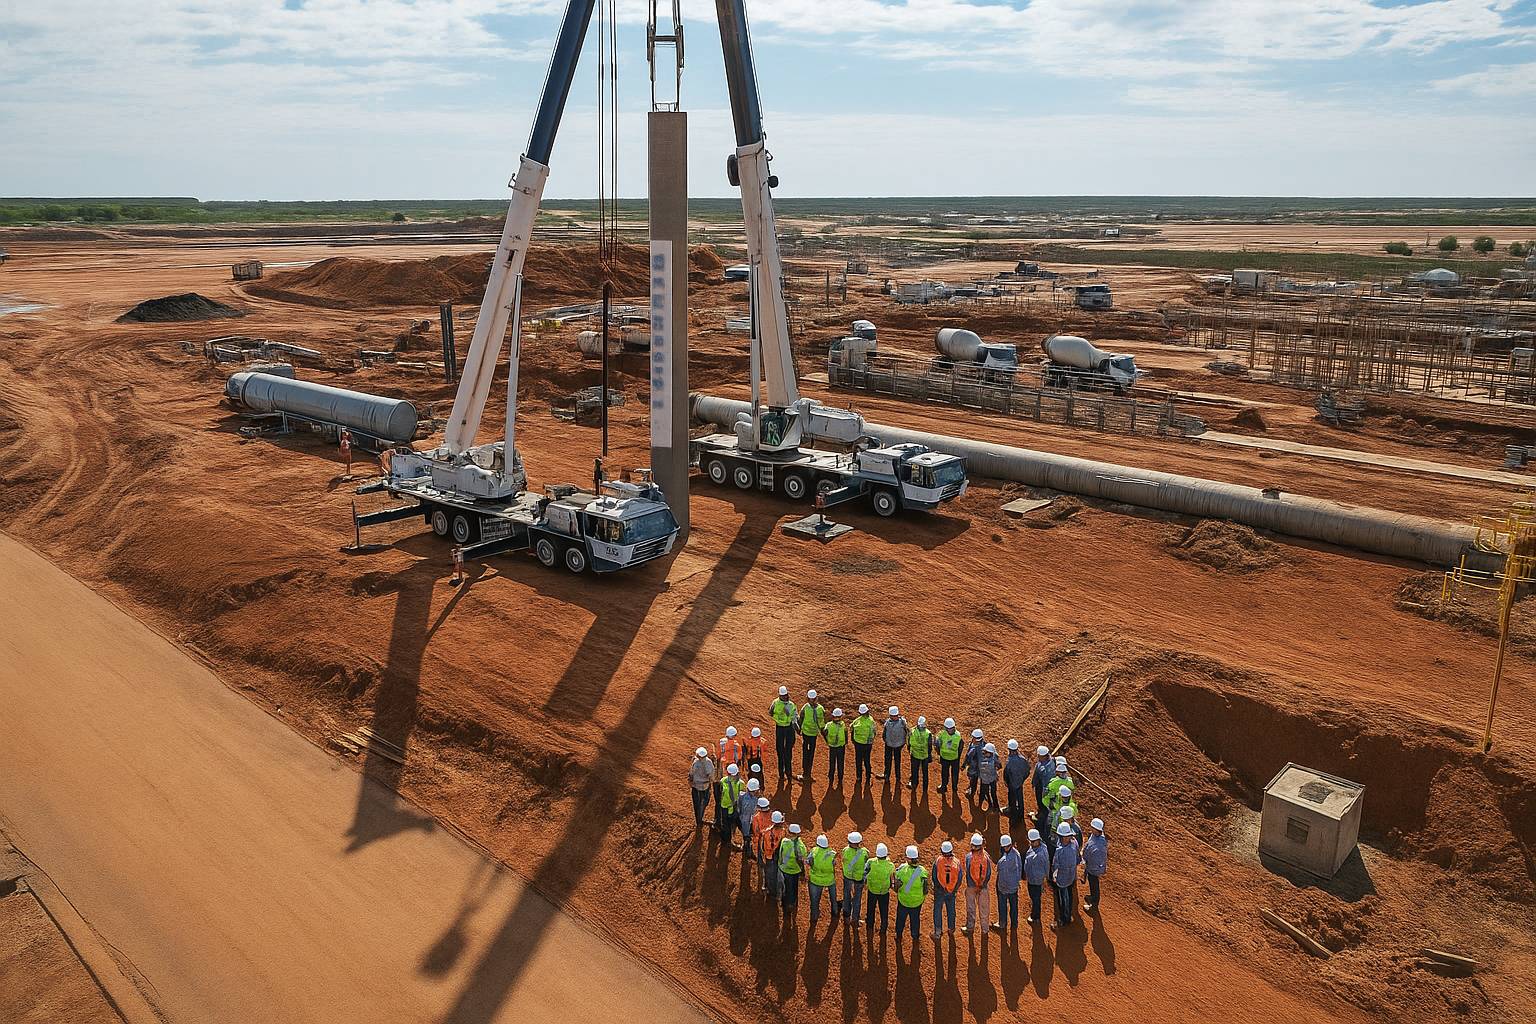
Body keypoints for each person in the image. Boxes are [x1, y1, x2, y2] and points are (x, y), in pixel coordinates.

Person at [893, 845, 928, 941]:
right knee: (915, 919)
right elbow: (925, 890)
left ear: (908, 858)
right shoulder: (923, 872)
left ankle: (898, 935)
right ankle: (915, 936)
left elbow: (896, 887)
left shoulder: (901, 870)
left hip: (903, 901)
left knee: (900, 919)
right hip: (917, 902)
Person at [962, 833, 992, 936]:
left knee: (971, 908)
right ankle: (985, 929)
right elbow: (988, 874)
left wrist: (974, 884)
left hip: (971, 887)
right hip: (983, 888)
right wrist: (981, 885)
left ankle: (970, 927)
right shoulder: (986, 857)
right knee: (984, 910)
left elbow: (967, 871)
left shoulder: (968, 857)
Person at [1051, 822, 1080, 929]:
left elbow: (1055, 865)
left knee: (1063, 899)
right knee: (1070, 896)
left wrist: (1054, 876)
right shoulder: (1074, 843)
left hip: (1062, 879)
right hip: (1071, 876)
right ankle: (1068, 916)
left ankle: (1064, 919)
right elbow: (1078, 858)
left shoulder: (1059, 850)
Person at [931, 840, 962, 936]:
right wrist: (954, 889)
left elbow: (934, 877)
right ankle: (951, 929)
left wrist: (937, 888)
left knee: (937, 910)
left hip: (940, 891)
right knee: (951, 909)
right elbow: (959, 878)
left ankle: (937, 931)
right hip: (951, 891)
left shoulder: (938, 861)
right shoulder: (957, 862)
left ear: (942, 851)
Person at [808, 834, 840, 925]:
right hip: (829, 880)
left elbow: (809, 862)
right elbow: (834, 864)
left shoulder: (814, 851)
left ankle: (814, 917)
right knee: (833, 898)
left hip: (815, 880)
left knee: (814, 901)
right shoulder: (832, 853)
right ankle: (835, 912)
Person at [778, 823, 809, 916]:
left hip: (783, 868)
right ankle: (792, 903)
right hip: (794, 870)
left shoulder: (784, 841)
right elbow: (803, 857)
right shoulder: (800, 846)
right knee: (793, 887)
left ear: (789, 832)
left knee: (785, 886)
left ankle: (785, 902)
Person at [769, 687, 798, 785]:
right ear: (780, 695)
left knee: (788, 752)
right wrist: (779, 718)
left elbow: (795, 716)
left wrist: (796, 727)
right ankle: (781, 774)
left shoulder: (790, 705)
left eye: (786, 695)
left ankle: (788, 774)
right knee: (780, 751)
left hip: (789, 728)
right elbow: (771, 713)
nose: (785, 697)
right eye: (783, 696)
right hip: (780, 729)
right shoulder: (775, 703)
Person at [994, 834, 1022, 932]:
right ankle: (1014, 924)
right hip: (1014, 886)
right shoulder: (1017, 853)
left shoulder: (1004, 861)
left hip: (1004, 887)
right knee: (1014, 906)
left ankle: (1002, 923)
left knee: (1002, 905)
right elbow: (1020, 868)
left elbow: (1000, 870)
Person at [865, 843, 894, 934]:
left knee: (870, 909)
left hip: (872, 890)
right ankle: (883, 927)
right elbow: (892, 878)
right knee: (884, 910)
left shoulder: (871, 862)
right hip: (884, 892)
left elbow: (865, 871)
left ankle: (869, 925)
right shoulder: (890, 865)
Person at [841, 832, 869, 926]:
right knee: (857, 899)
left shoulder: (845, 850)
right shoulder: (864, 852)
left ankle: (846, 917)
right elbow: (866, 861)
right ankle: (855, 919)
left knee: (846, 896)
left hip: (848, 877)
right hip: (859, 879)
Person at [798, 689, 826, 780]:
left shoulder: (805, 707)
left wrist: (798, 729)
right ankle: (808, 773)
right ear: (816, 698)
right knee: (811, 753)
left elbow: (800, 719)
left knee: (805, 753)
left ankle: (805, 774)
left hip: (806, 734)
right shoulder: (821, 709)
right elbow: (822, 722)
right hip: (814, 734)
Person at [1023, 828, 1049, 925]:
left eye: (1033, 841)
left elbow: (1046, 865)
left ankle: (1035, 917)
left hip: (1036, 879)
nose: (1032, 843)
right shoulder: (1035, 848)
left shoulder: (1041, 853)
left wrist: (1046, 877)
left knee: (1036, 898)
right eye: (1031, 841)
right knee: (1033, 896)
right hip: (1031, 877)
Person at [1083, 818, 1108, 914]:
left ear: (1096, 829)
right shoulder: (1098, 836)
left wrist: (1087, 865)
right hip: (1092, 867)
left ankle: (1094, 905)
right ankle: (1093, 897)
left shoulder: (1097, 847)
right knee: (1092, 883)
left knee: (1094, 885)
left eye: (1092, 827)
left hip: (1094, 869)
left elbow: (1094, 860)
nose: (1091, 829)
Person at [759, 811, 786, 898]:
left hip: (769, 857)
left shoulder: (766, 832)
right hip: (778, 857)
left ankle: (770, 890)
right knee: (776, 875)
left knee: (769, 874)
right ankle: (776, 892)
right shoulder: (783, 832)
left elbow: (762, 847)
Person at [1003, 739, 1030, 822]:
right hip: (1020, 783)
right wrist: (1022, 780)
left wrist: (1007, 782)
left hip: (1012, 784)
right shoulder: (1023, 759)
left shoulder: (1009, 762)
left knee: (1012, 799)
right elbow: (1027, 771)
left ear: (1009, 750)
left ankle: (1013, 815)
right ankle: (1021, 815)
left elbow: (1006, 774)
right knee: (1020, 798)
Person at [718, 764, 743, 847]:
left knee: (725, 824)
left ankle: (726, 840)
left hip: (724, 807)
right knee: (731, 823)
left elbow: (720, 793)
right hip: (734, 807)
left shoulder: (722, 781)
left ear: (727, 773)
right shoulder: (741, 783)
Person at [936, 718, 963, 795]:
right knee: (945, 773)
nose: (949, 730)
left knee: (954, 774)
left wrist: (957, 757)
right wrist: (940, 753)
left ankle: (954, 787)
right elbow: (938, 744)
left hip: (954, 759)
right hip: (945, 758)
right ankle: (944, 786)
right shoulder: (942, 734)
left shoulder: (958, 736)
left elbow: (960, 748)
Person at [851, 704, 877, 785]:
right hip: (867, 744)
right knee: (867, 760)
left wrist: (853, 740)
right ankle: (868, 776)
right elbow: (874, 732)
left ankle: (859, 777)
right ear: (867, 711)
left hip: (858, 744)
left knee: (858, 760)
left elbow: (851, 729)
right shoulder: (871, 721)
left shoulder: (856, 721)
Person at [751, 798, 774, 886]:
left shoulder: (756, 817)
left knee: (763, 862)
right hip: (773, 842)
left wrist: (755, 843)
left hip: (763, 842)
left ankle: (765, 884)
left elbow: (756, 832)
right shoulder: (773, 815)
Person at [1031, 745, 1054, 834]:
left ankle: (1041, 824)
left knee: (1043, 805)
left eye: (1039, 756)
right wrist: (1034, 782)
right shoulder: (1046, 761)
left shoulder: (1047, 769)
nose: (1038, 757)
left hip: (1044, 789)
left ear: (1044, 756)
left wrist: (1044, 794)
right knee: (1040, 804)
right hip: (1040, 785)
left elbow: (1046, 784)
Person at [690, 746, 715, 826]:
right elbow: (711, 776)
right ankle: (699, 818)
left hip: (696, 787)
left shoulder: (695, 762)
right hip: (705, 786)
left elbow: (691, 773)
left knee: (696, 804)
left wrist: (691, 781)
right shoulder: (709, 762)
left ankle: (698, 820)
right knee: (704, 802)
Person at [882, 707, 908, 782]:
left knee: (892, 761)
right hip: (895, 745)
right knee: (893, 761)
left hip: (892, 745)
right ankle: (893, 777)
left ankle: (891, 776)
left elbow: (884, 734)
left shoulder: (888, 723)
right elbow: (906, 733)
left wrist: (886, 740)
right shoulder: (902, 722)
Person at [907, 716, 933, 793]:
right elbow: (930, 746)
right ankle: (925, 788)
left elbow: (909, 743)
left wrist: (910, 750)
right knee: (925, 772)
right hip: (924, 756)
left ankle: (914, 783)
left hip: (915, 755)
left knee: (914, 770)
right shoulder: (928, 733)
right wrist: (929, 755)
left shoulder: (913, 731)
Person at [824, 707, 848, 788]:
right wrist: (846, 742)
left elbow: (824, 732)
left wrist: (827, 741)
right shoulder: (842, 724)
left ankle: (831, 776)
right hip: (841, 747)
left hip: (832, 747)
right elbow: (845, 733)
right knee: (840, 762)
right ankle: (840, 777)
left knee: (832, 762)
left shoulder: (828, 725)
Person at [978, 743, 1001, 812]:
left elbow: (980, 768)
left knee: (983, 792)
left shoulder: (983, 761)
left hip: (985, 779)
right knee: (993, 793)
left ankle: (981, 805)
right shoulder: (994, 756)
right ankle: (996, 807)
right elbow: (999, 766)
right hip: (992, 778)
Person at [739, 778, 761, 849]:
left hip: (741, 816)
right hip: (746, 820)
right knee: (746, 833)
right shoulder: (752, 801)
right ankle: (746, 843)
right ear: (755, 791)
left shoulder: (741, 795)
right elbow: (747, 818)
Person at [964, 729, 985, 799]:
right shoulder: (985, 745)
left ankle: (972, 792)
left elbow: (968, 756)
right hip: (982, 768)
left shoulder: (974, 748)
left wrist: (964, 765)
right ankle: (982, 792)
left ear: (975, 738)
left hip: (974, 768)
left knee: (973, 781)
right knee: (982, 781)